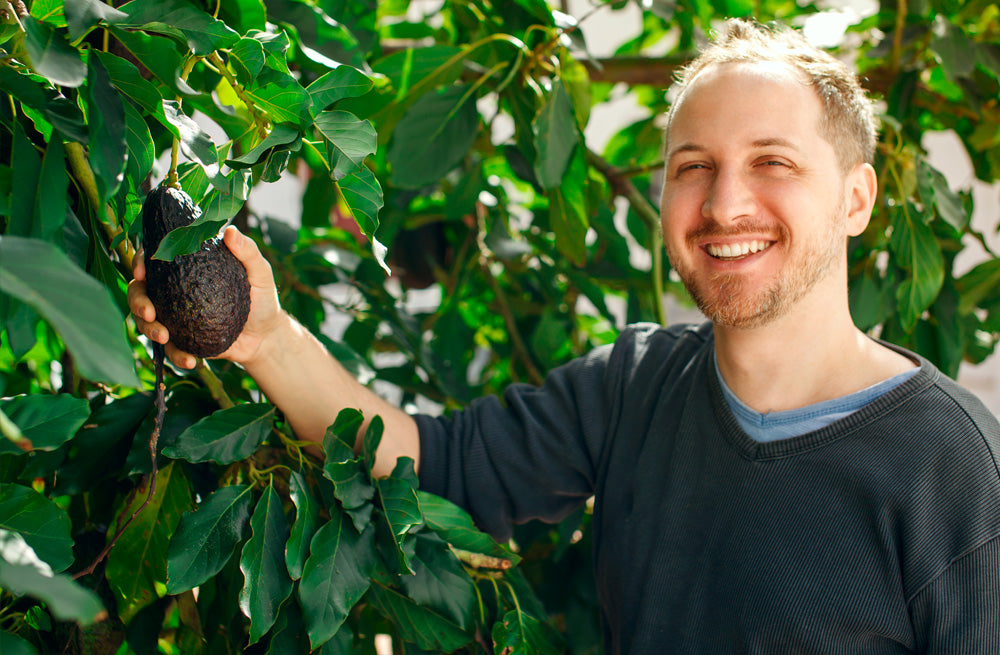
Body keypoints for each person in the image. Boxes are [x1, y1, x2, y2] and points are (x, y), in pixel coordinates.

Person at [129, 18, 1000, 654]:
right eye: (693, 168)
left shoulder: (953, 468)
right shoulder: (633, 386)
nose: (725, 203)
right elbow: (434, 465)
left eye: (773, 162)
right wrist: (264, 336)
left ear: (856, 198)